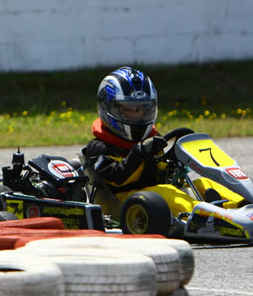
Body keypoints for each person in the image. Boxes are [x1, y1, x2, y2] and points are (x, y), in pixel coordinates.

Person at [82, 67, 244, 217]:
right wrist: (139, 153)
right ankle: (209, 216)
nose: (136, 115)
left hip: (153, 195)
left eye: (140, 109)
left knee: (204, 183)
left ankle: (243, 203)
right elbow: (118, 179)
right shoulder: (99, 147)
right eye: (128, 109)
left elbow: (160, 170)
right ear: (110, 109)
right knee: (166, 193)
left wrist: (172, 159)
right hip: (124, 201)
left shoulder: (150, 138)